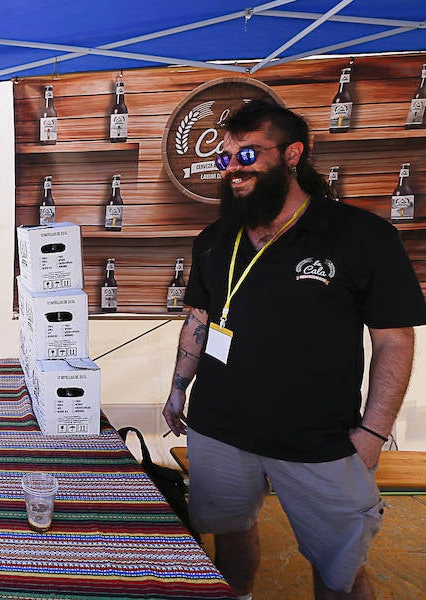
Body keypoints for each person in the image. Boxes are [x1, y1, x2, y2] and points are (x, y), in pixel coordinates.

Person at [162, 100, 426, 600]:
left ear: (292, 154)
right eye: (225, 158)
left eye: (248, 155)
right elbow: (199, 318)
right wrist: (178, 392)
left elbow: (394, 338)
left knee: (339, 574)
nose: (233, 170)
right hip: (220, 430)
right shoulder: (216, 239)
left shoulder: (360, 235)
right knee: (231, 539)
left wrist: (374, 431)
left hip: (319, 440)